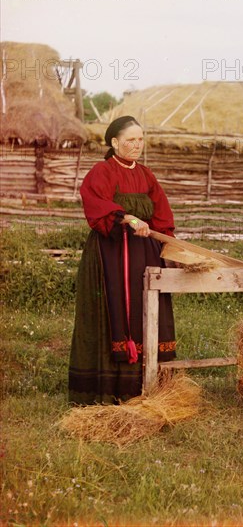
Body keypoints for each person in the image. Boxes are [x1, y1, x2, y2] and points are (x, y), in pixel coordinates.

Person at [68, 116, 176, 405]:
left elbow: (162, 215)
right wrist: (127, 217)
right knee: (115, 309)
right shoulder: (101, 172)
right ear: (114, 142)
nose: (137, 145)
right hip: (111, 257)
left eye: (141, 139)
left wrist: (168, 244)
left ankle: (149, 386)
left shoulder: (146, 175)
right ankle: (110, 387)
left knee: (146, 308)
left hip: (145, 255)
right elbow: (96, 206)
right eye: (131, 139)